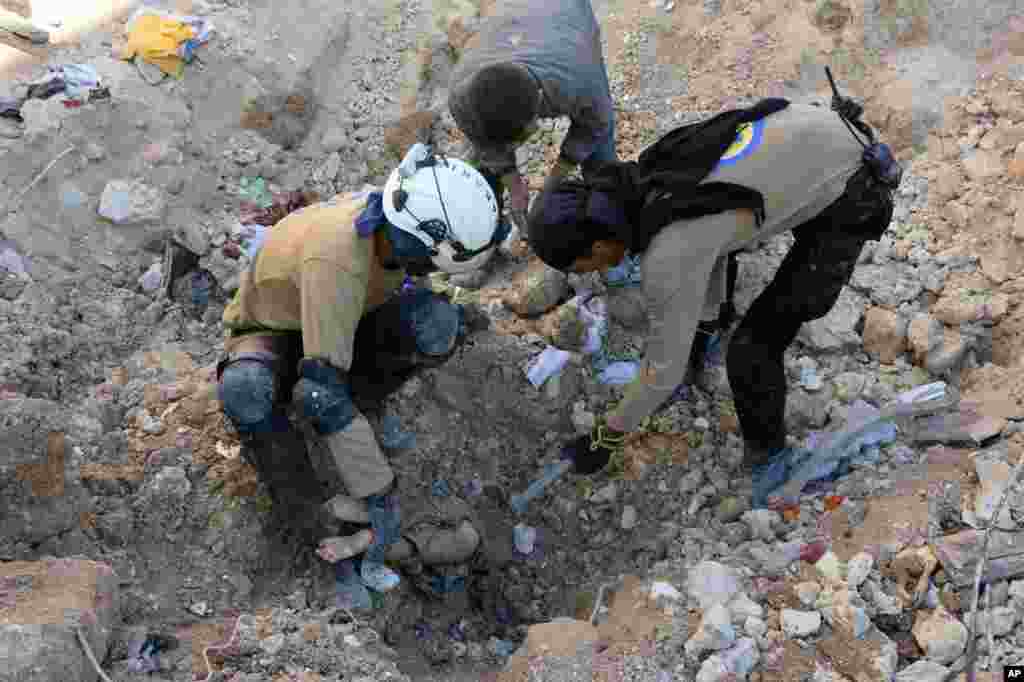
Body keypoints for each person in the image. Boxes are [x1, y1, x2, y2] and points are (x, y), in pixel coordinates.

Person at [526, 93, 901, 507]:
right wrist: (695, 325)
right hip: (821, 134)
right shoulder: (650, 177)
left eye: (583, 266)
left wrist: (606, 436)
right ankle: (704, 341)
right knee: (717, 274)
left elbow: (660, 371)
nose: (592, 274)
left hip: (855, 187)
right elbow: (712, 244)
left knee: (753, 349)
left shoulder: (668, 252)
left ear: (597, 244)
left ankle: (774, 465)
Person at [216, 144, 509, 581]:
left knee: (436, 322)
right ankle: (308, 510)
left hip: (347, 314)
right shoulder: (337, 258)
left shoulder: (395, 215)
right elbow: (319, 392)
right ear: (423, 243)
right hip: (277, 331)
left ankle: (359, 403)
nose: (431, 269)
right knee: (251, 392)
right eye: (433, 260)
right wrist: (379, 495)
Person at [447, 0, 617, 234]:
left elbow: (594, 126)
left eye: (521, 138)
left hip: (565, 11)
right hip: (515, 19)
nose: (516, 147)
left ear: (540, 101)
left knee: (600, 148)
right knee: (483, 162)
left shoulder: (578, 79)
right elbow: (486, 146)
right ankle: (490, 231)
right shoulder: (462, 97)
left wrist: (552, 184)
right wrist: (515, 187)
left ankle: (608, 222)